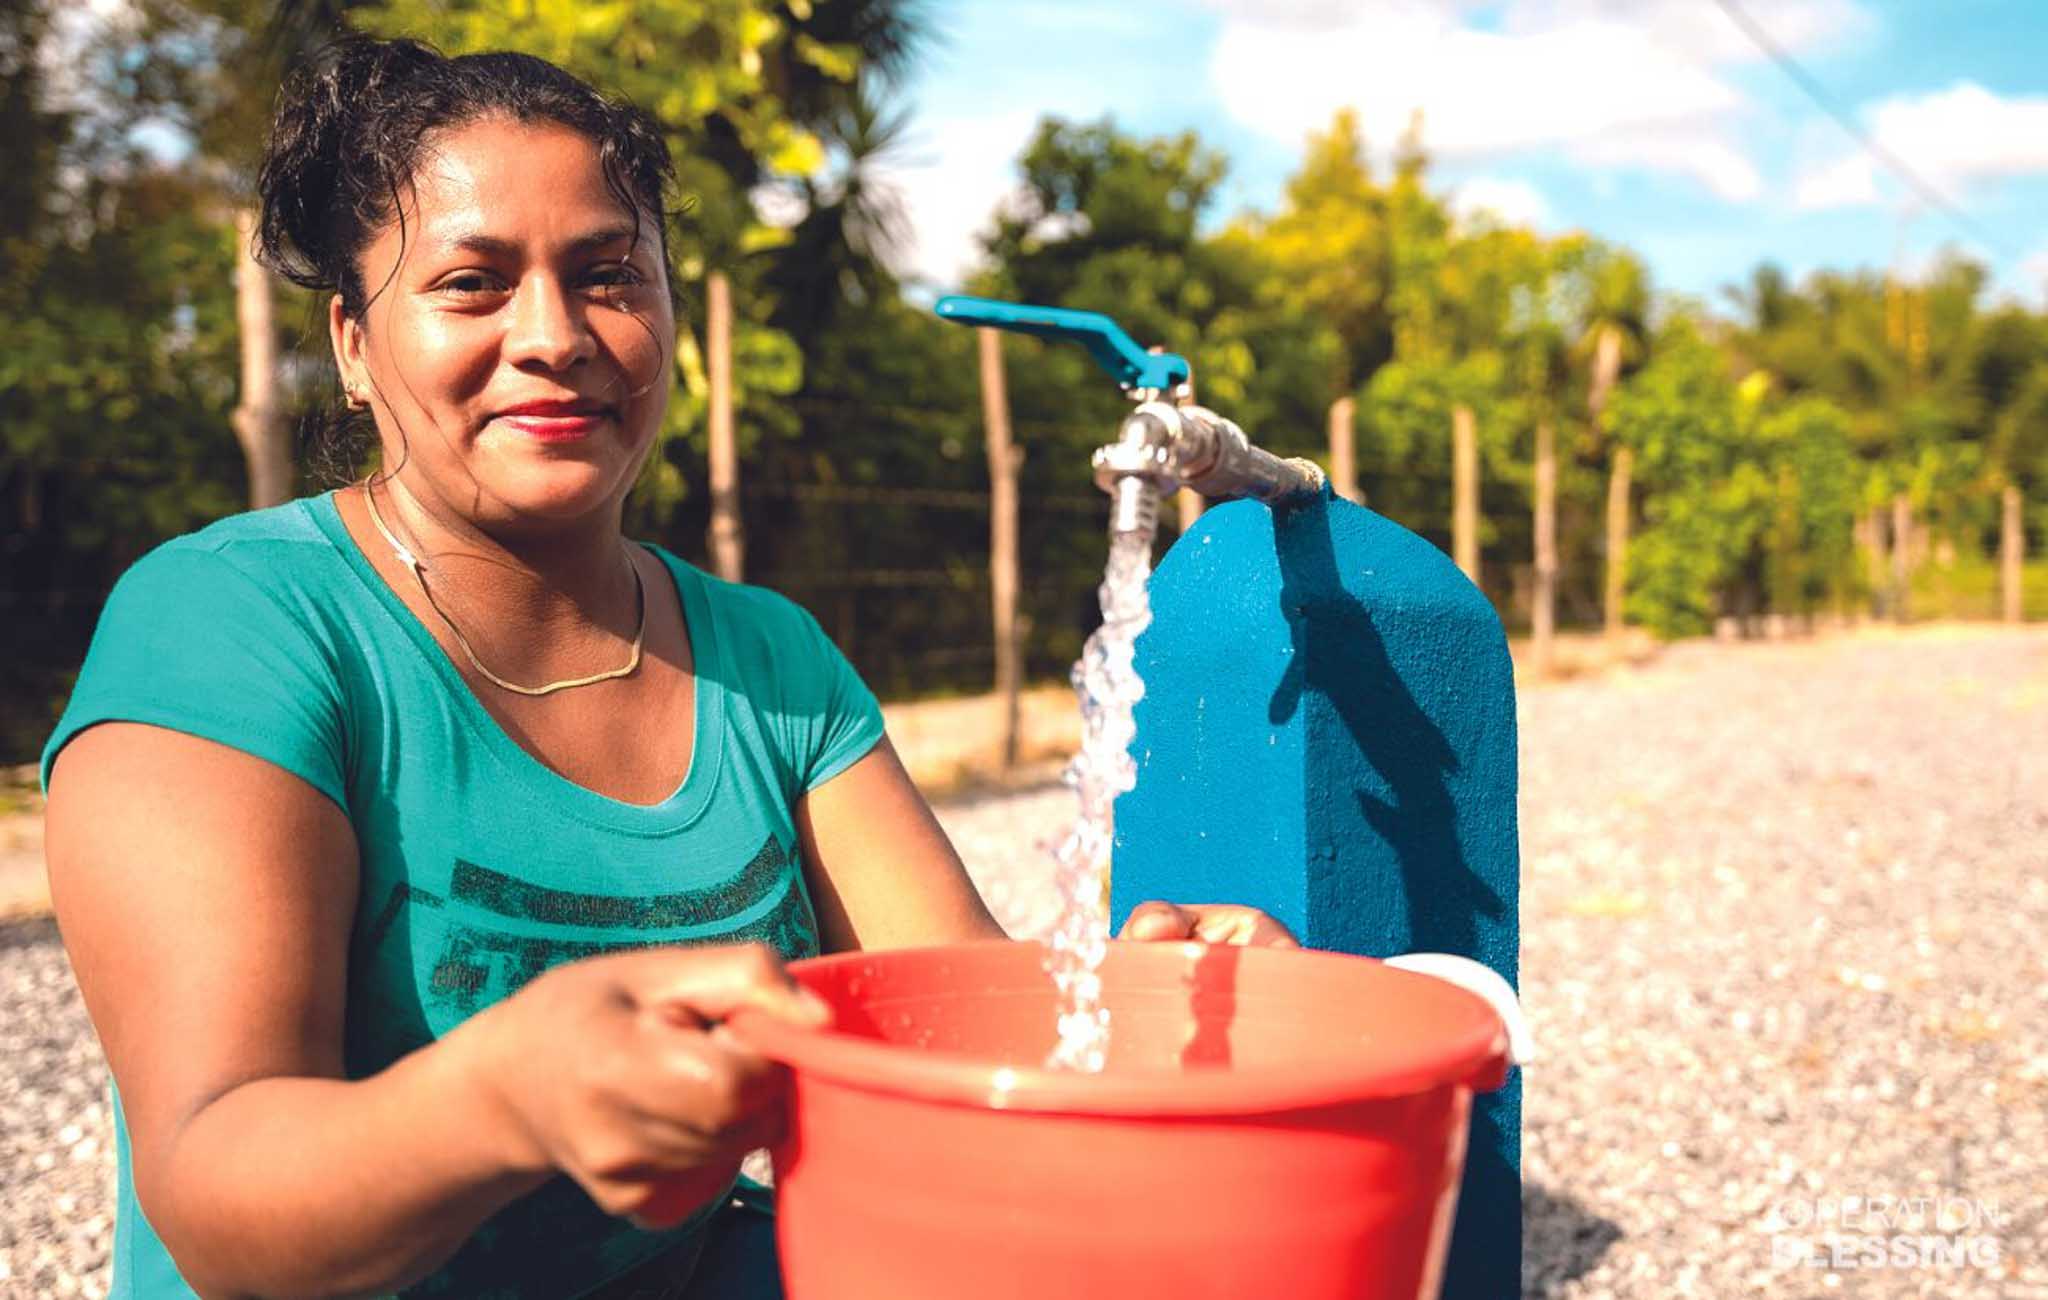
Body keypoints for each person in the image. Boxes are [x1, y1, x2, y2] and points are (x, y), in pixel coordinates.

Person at [39, 37, 1297, 1300]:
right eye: (470, 283)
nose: (552, 336)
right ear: (355, 344)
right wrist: (502, 1094)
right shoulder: (238, 627)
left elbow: (953, 1021)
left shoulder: (771, 666)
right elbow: (213, 1184)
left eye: (605, 275)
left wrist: (1137, 1000)